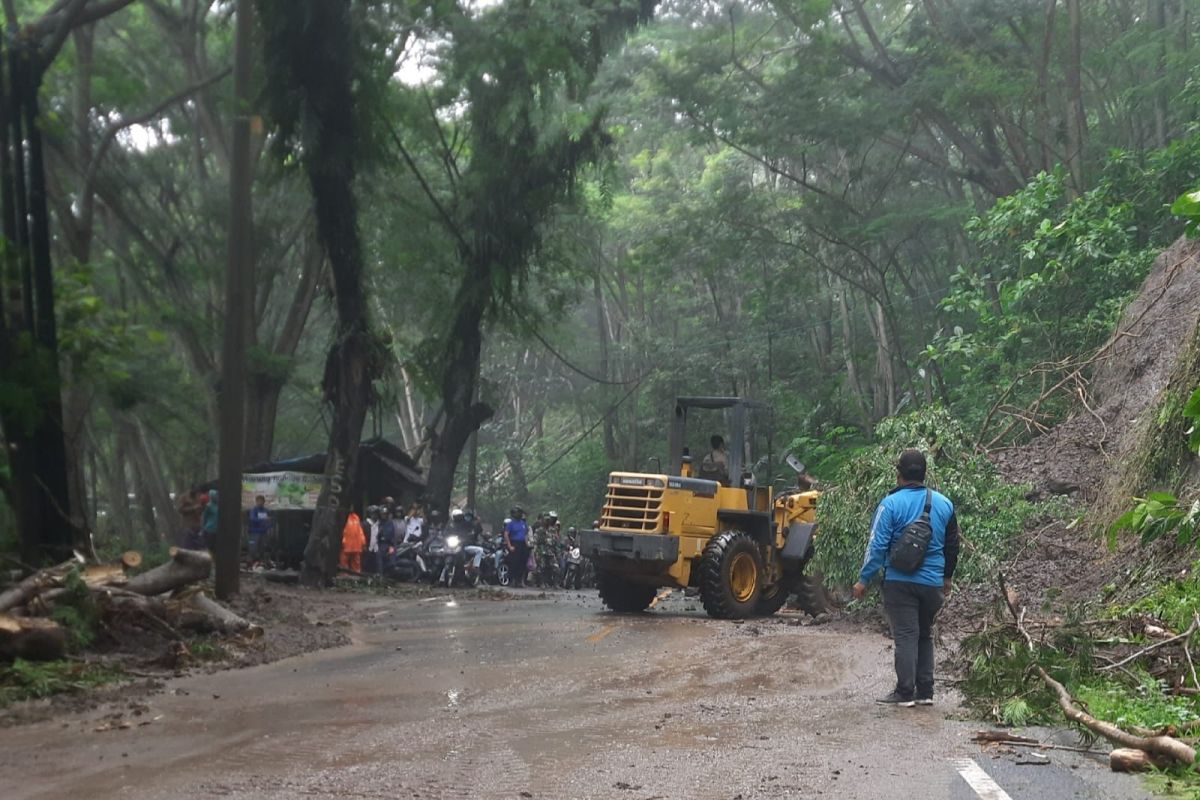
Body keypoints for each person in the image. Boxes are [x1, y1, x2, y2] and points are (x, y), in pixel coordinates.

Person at [852, 449, 960, 707]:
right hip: (933, 583)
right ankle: (925, 692)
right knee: (924, 633)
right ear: (924, 474)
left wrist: (864, 579)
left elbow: (876, 546)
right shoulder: (944, 503)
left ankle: (904, 692)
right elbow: (953, 545)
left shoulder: (890, 504)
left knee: (906, 635)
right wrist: (947, 577)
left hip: (900, 582)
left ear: (898, 474)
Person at [504, 506, 531, 589]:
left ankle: (520, 581)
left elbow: (525, 535)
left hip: (523, 544)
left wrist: (527, 544)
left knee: (522, 563)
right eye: (518, 513)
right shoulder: (510, 524)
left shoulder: (523, 524)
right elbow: (506, 534)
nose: (519, 514)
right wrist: (509, 546)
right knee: (514, 563)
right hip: (514, 543)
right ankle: (512, 580)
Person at [246, 495, 272, 565]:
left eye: (262, 501)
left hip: (263, 532)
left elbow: (269, 521)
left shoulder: (266, 510)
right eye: (259, 501)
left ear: (264, 502)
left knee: (262, 548)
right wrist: (263, 519)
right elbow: (252, 519)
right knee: (253, 549)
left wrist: (268, 527)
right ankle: (250, 563)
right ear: (256, 502)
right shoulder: (254, 510)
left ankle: (260, 563)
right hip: (254, 532)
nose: (260, 503)